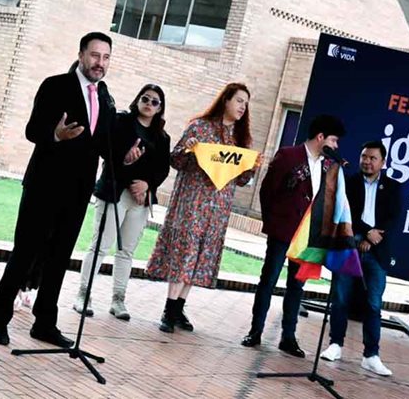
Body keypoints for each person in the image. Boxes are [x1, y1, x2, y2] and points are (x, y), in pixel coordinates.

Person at [0, 32, 142, 347]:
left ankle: (45, 323)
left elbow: (102, 144)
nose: (100, 63)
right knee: (25, 254)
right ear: (82, 54)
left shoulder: (104, 97)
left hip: (77, 192)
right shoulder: (55, 85)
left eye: (106, 57)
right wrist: (55, 135)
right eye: (95, 55)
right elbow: (33, 130)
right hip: (43, 187)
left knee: (59, 258)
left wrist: (124, 156)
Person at [146, 83, 260, 333]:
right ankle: (169, 307)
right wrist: (189, 149)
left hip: (218, 209)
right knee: (185, 252)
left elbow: (241, 179)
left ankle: (179, 308)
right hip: (192, 203)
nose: (243, 107)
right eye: (239, 100)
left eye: (246, 103)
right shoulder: (200, 127)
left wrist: (251, 167)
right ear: (226, 100)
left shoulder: (241, 140)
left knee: (199, 256)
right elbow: (176, 159)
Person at [241, 115, 345, 357]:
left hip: (308, 237)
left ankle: (288, 337)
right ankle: (255, 331)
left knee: (297, 287)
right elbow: (267, 192)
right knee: (268, 280)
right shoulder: (287, 156)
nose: (336, 146)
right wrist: (274, 222)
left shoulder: (329, 165)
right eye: (334, 140)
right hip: (282, 231)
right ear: (321, 137)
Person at [72, 84, 171, 320]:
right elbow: (107, 154)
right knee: (100, 245)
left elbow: (162, 169)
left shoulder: (162, 137)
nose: (149, 104)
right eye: (145, 98)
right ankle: (83, 295)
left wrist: (147, 186)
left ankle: (118, 300)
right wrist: (126, 163)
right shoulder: (121, 122)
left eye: (155, 101)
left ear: (160, 108)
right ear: (137, 100)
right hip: (115, 192)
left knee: (126, 251)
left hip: (141, 200)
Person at [320, 140, 402, 376]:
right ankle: (335, 345)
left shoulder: (393, 187)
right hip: (349, 246)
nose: (367, 161)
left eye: (372, 158)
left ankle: (371, 356)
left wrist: (371, 237)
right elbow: (347, 213)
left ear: (383, 162)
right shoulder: (350, 183)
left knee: (373, 305)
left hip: (377, 252)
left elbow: (393, 219)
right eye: (364, 156)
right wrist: (367, 232)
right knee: (341, 299)